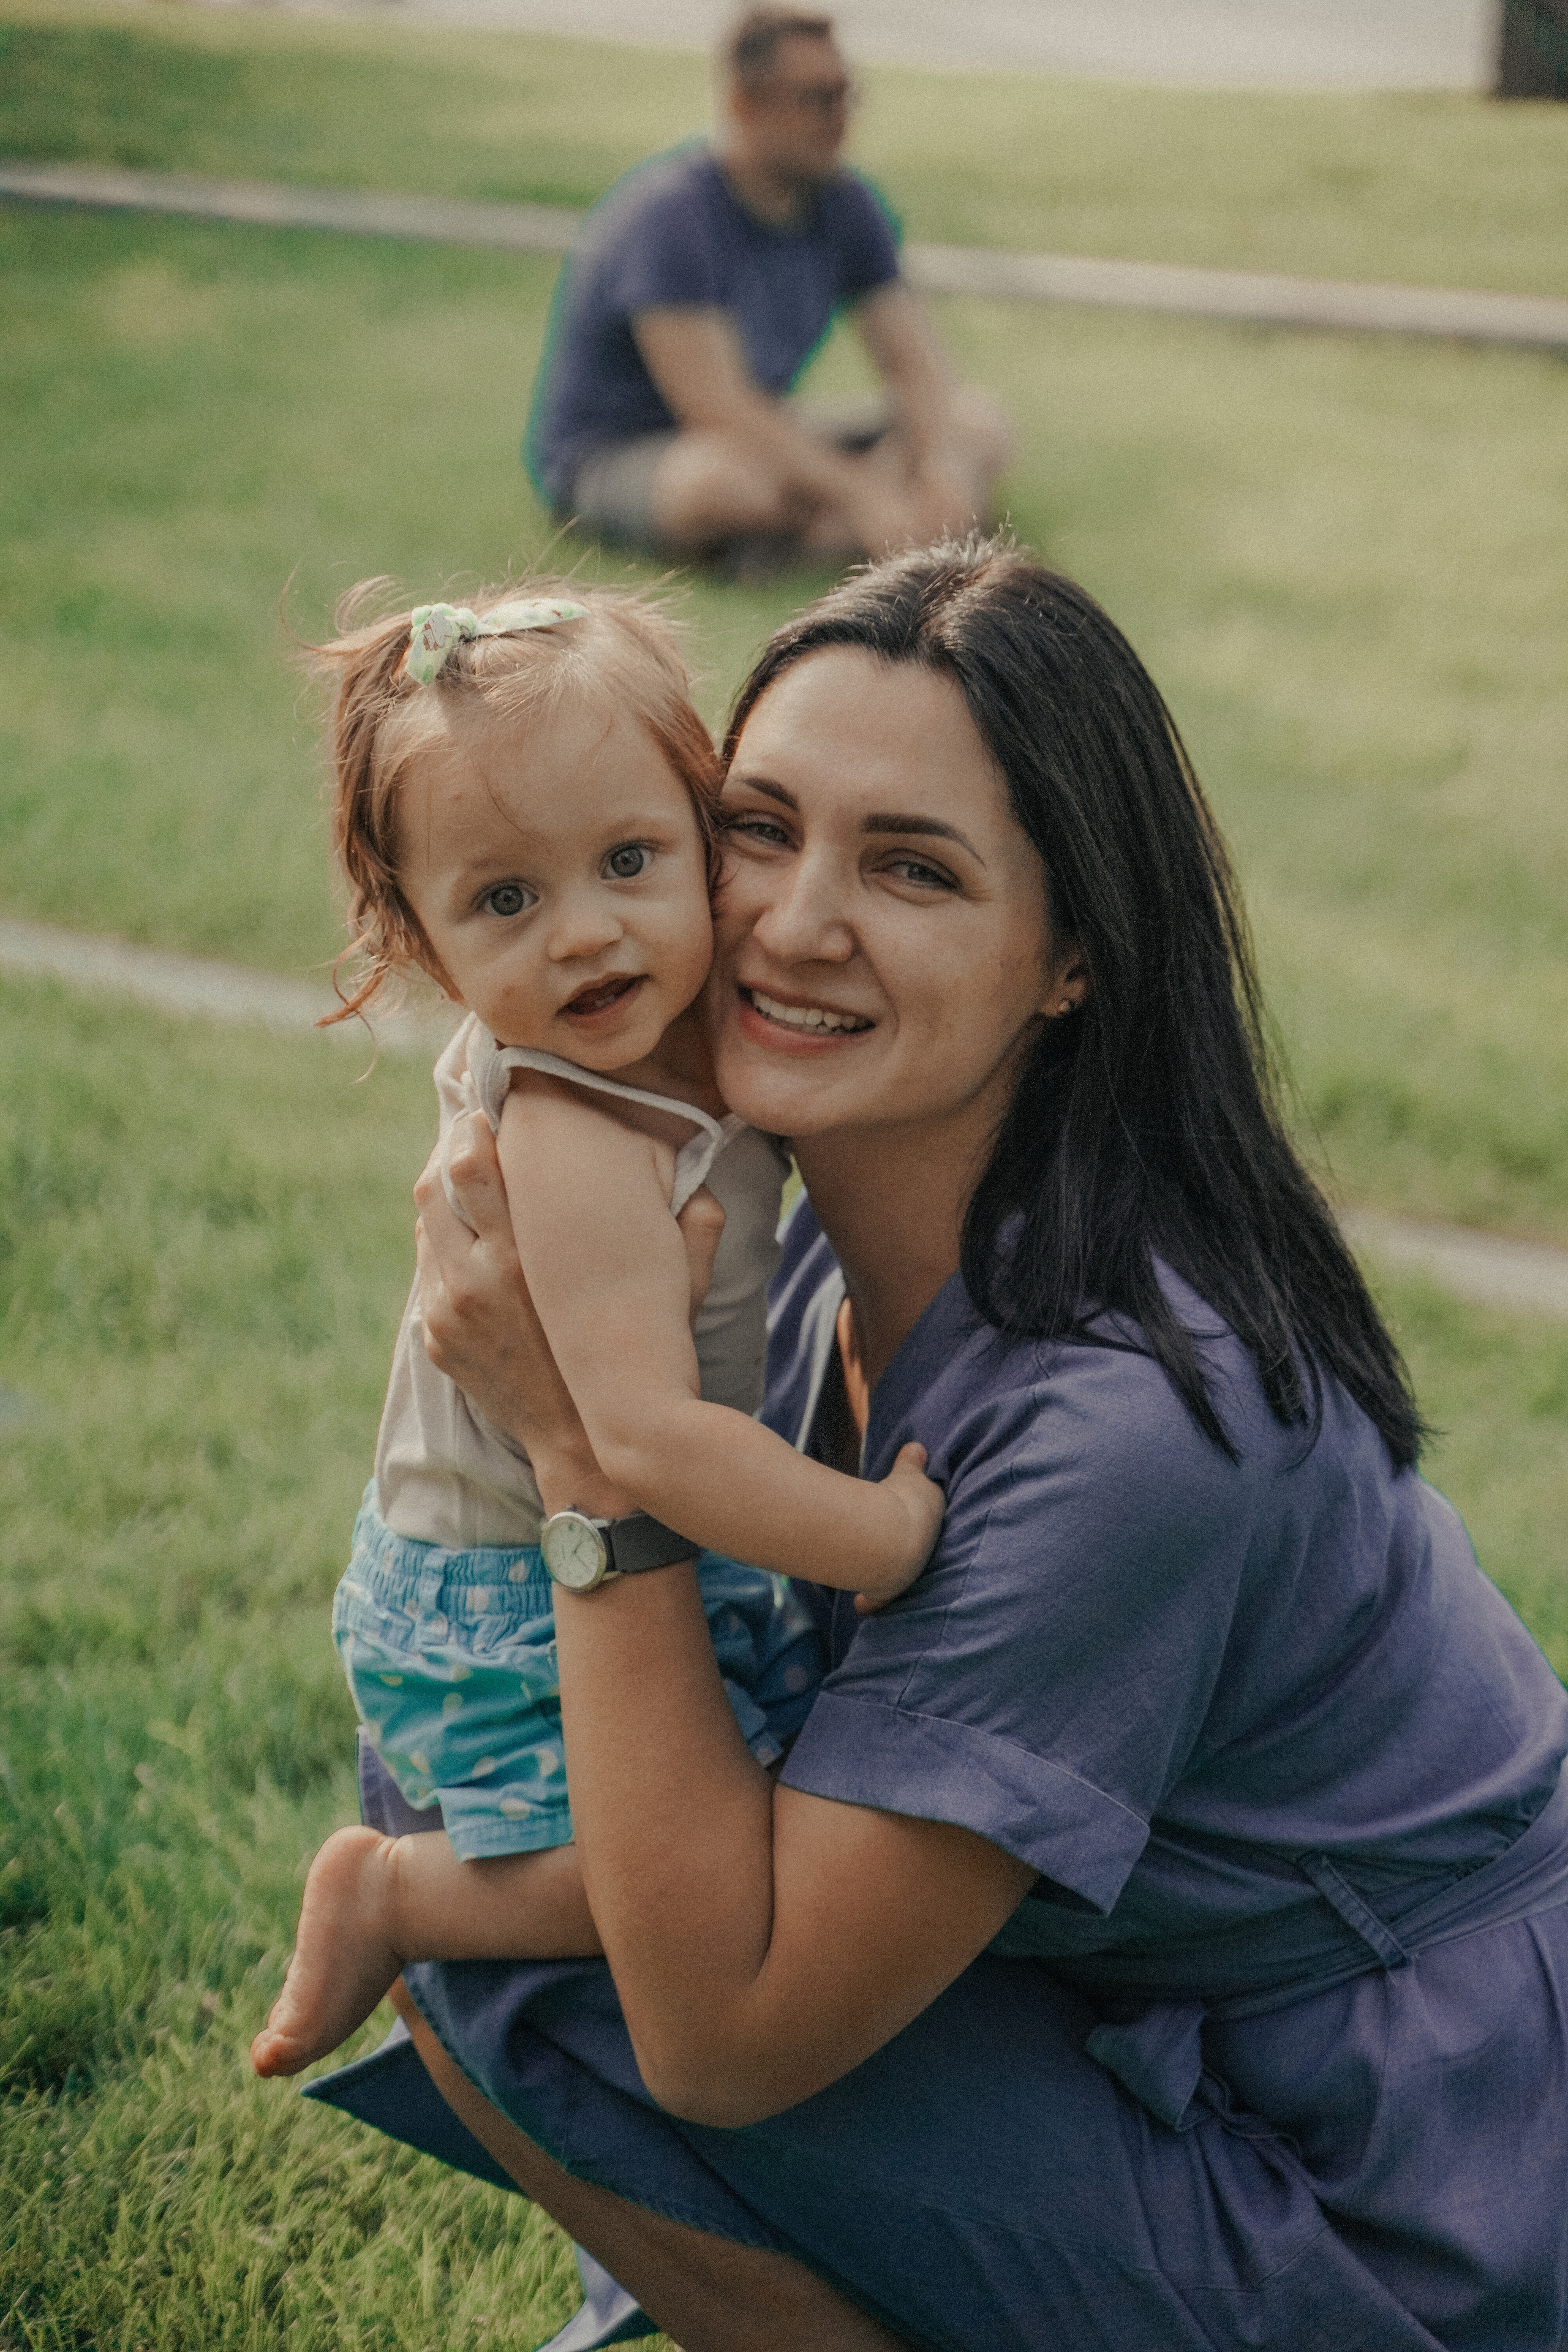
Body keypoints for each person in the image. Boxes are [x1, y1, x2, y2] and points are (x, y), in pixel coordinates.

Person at [307, 539, 1568, 2351]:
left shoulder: (1129, 1425)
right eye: (755, 827)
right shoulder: (791, 1224)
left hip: (1407, 2173)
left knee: (556, 1943)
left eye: (910, 866)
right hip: (1156, 2012)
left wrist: (585, 1461)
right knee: (501, 1796)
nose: (791, 921)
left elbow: (719, 2033)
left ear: (1070, 957)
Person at [248, 579, 941, 2084]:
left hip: (595, 1544)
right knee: (663, 1881)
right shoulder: (575, 1127)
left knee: (759, 1801)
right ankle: (392, 1892)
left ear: (706, 830)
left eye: (627, 861)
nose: (584, 934)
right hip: (507, 1590)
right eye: (504, 901)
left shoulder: (677, 1037)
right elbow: (639, 1438)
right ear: (426, 946)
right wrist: (876, 1540)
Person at [525, 7, 1011, 568]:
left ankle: (832, 539)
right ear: (743, 103)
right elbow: (718, 407)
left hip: (761, 434)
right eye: (816, 99)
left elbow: (913, 363)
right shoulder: (671, 215)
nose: (839, 119)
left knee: (976, 424)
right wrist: (864, 493)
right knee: (723, 485)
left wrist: (937, 469)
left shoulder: (847, 202)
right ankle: (870, 534)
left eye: (847, 95)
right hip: (631, 452)